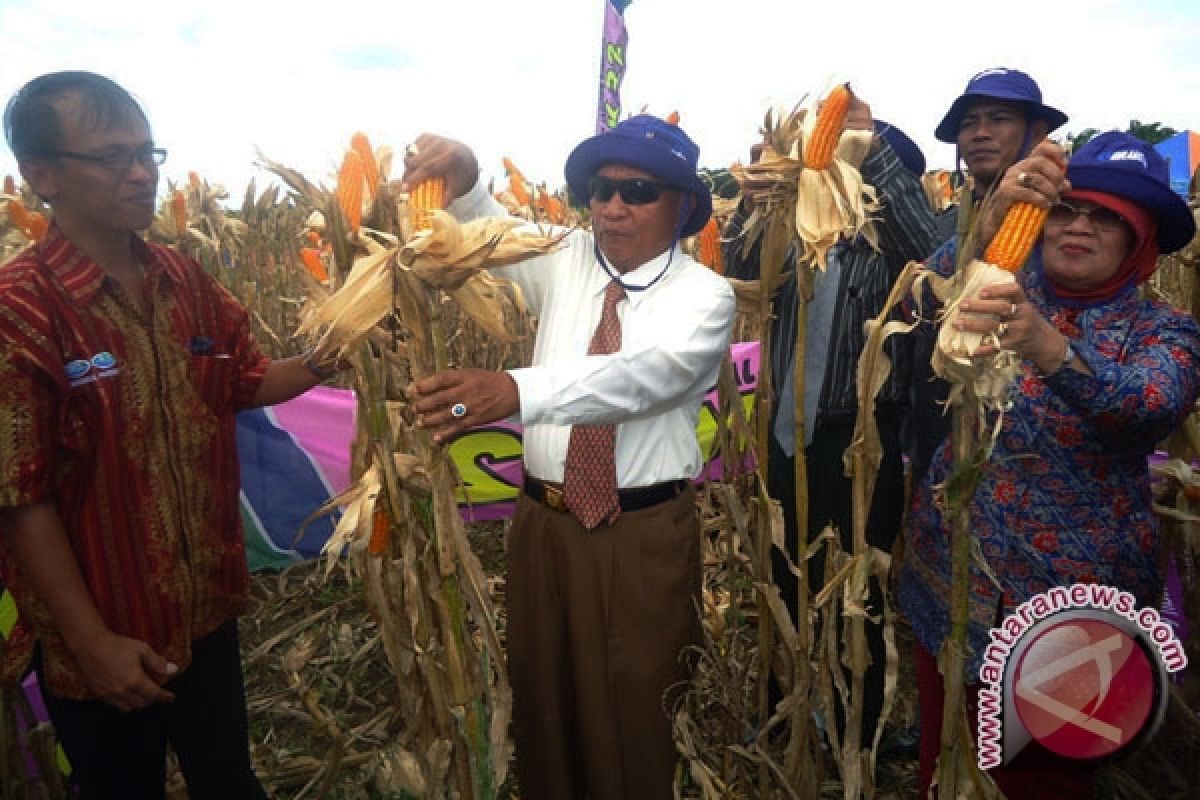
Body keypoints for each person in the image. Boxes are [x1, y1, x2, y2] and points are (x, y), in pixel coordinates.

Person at [0, 71, 343, 798]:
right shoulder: (20, 312)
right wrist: (93, 645)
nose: (140, 174)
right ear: (42, 176)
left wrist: (328, 353)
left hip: (206, 608)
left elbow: (243, 380)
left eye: (148, 153)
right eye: (112, 157)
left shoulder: (182, 279)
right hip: (103, 633)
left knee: (227, 779)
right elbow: (20, 498)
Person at [402, 116, 736, 799]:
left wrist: (512, 391)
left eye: (639, 190)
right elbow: (487, 225)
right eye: (601, 189)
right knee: (544, 697)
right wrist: (463, 174)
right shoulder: (565, 257)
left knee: (636, 704)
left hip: (638, 534)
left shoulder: (706, 297)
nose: (614, 207)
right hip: (543, 527)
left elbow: (644, 376)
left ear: (682, 206)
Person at [897, 132, 1200, 798]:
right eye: (1065, 210)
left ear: (1140, 239)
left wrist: (1049, 347)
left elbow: (1148, 405)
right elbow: (919, 294)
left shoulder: (1164, 331)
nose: (1079, 226)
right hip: (950, 579)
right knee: (946, 752)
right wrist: (991, 219)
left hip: (1068, 614)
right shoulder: (995, 279)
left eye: (1107, 218)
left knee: (1045, 775)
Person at [723, 98, 942, 749]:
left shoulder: (894, 253)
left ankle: (858, 731)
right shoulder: (796, 233)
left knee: (859, 596)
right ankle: (778, 714)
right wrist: (756, 203)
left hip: (859, 448)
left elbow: (936, 251)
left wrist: (868, 150)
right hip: (780, 440)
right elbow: (737, 275)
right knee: (778, 582)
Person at [908, 67, 1068, 486]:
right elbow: (917, 306)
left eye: (998, 119)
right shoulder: (942, 224)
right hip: (943, 436)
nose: (980, 133)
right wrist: (985, 226)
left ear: (1037, 133)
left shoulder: (1072, 222)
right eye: (968, 123)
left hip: (1033, 457)